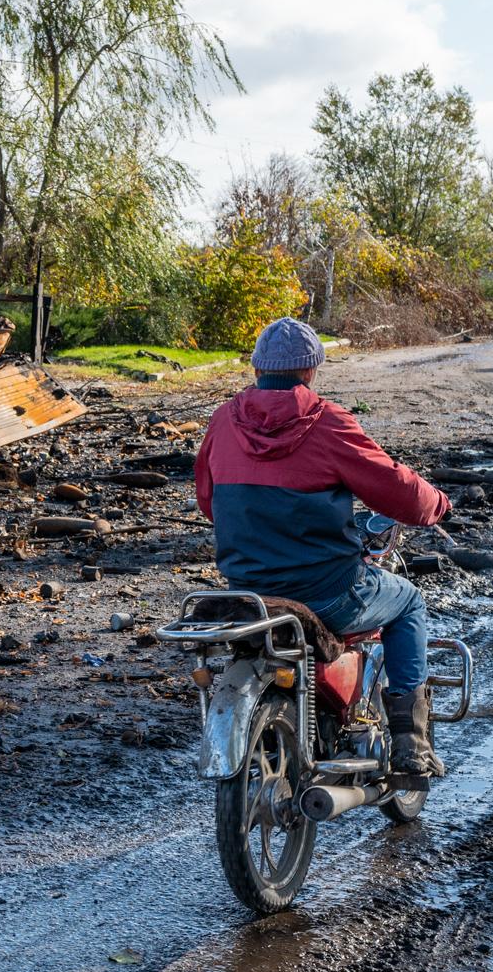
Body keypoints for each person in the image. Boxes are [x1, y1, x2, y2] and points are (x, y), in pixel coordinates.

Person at [193, 316, 451, 784]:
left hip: (248, 590)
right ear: (310, 371)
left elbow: (210, 504)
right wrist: (436, 504)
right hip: (327, 592)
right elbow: (395, 486)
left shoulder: (222, 421)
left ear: (256, 368)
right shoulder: (327, 421)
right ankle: (411, 742)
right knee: (408, 602)